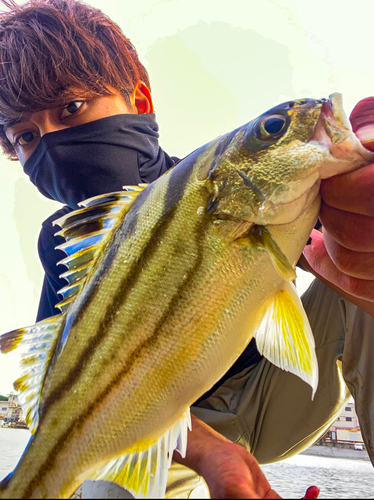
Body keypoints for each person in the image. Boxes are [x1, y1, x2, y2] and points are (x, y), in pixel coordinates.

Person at [0, 0, 373, 498]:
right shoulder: (62, 241)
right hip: (166, 425)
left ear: (140, 97)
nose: (50, 142)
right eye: (24, 136)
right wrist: (213, 451)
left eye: (71, 108)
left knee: (364, 267)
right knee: (108, 489)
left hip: (276, 394)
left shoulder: (215, 188)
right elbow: (68, 378)